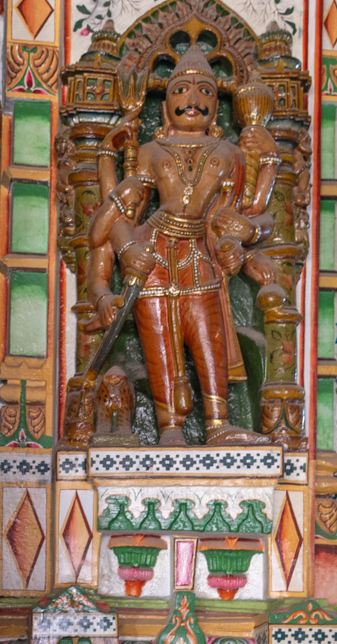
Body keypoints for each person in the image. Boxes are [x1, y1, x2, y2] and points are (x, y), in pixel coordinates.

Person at [85, 46, 275, 445]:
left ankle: (218, 423)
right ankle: (170, 427)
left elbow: (256, 213)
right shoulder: (151, 152)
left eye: (205, 91)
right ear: (166, 103)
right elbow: (122, 216)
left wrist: (269, 164)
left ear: (218, 106)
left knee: (209, 339)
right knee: (160, 343)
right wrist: (127, 249)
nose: (193, 100)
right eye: (182, 90)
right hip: (153, 251)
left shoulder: (233, 155)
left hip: (200, 254)